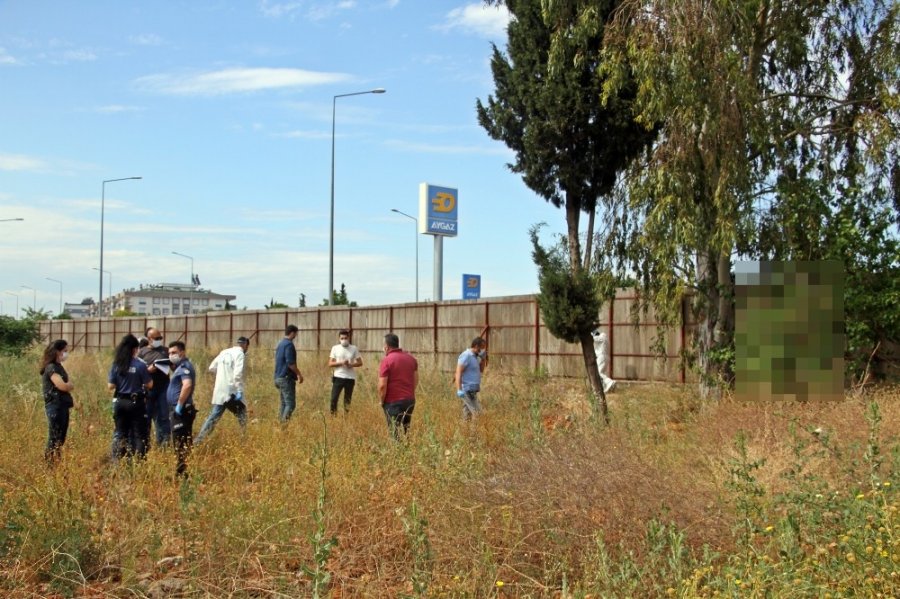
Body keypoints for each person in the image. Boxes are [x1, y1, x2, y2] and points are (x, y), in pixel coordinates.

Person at [195, 336, 249, 444]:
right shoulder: (240, 354)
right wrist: (239, 390)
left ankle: (199, 440)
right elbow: (237, 375)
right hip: (231, 391)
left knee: (214, 416)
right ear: (246, 345)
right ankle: (244, 440)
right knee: (242, 414)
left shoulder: (224, 352)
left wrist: (222, 375)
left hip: (220, 390)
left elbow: (212, 367)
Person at [107, 334, 153, 461]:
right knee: (139, 434)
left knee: (120, 433)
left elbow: (111, 386)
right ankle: (139, 462)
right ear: (134, 349)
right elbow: (149, 384)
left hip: (120, 402)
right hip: (136, 402)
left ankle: (117, 460)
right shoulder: (140, 365)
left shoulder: (116, 364)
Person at [39, 339, 75, 465]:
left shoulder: (58, 367)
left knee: (60, 438)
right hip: (55, 406)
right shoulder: (51, 368)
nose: (66, 353)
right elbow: (62, 386)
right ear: (57, 352)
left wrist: (68, 384)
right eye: (64, 351)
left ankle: (55, 463)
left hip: (62, 405)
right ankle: (49, 464)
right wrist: (69, 385)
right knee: (54, 437)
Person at [377, 333, 418, 439]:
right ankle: (407, 450)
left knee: (394, 432)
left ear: (386, 347)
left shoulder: (386, 361)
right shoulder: (411, 359)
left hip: (393, 402)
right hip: (409, 400)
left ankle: (397, 453)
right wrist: (409, 393)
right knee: (406, 429)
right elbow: (415, 380)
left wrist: (382, 400)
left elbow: (382, 385)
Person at [166, 341, 197, 478]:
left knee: (180, 442)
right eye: (169, 353)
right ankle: (182, 471)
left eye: (174, 353)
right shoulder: (179, 367)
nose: (171, 355)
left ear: (182, 353)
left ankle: (182, 473)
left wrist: (179, 404)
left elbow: (187, 385)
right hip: (178, 410)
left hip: (181, 410)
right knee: (181, 441)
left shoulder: (185, 367)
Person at [138, 326, 172, 447]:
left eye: (160, 337)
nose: (159, 340)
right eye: (156, 338)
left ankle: (164, 443)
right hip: (148, 389)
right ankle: (145, 444)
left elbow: (172, 366)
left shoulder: (166, 350)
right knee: (147, 416)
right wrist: (148, 370)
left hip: (164, 387)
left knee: (164, 416)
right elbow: (138, 372)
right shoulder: (142, 352)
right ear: (149, 339)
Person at [328, 329, 362, 415]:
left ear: (349, 338)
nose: (344, 340)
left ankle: (346, 418)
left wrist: (351, 365)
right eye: (342, 338)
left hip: (350, 378)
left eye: (345, 338)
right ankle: (333, 417)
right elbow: (330, 363)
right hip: (338, 377)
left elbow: (360, 362)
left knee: (347, 400)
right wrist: (341, 363)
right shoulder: (335, 348)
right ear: (339, 338)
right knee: (334, 398)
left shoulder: (354, 348)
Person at [274, 324, 303, 422]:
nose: (296, 336)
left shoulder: (280, 344)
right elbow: (290, 363)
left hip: (278, 377)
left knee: (284, 403)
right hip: (286, 378)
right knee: (290, 404)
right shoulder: (289, 345)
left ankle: (280, 425)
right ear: (292, 333)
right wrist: (299, 374)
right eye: (295, 334)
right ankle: (283, 427)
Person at [455, 336, 487, 421]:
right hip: (466, 390)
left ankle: (464, 433)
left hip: (473, 390)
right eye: (482, 348)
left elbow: (481, 370)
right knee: (477, 413)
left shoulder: (475, 357)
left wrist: (483, 360)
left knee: (467, 415)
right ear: (476, 346)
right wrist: (459, 389)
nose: (483, 350)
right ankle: (474, 434)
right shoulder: (466, 355)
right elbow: (458, 372)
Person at [591, 329, 617, 393]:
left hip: (601, 357)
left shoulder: (601, 337)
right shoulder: (604, 338)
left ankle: (610, 382)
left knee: (599, 372)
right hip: (606, 357)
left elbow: (593, 338)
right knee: (603, 373)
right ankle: (606, 387)